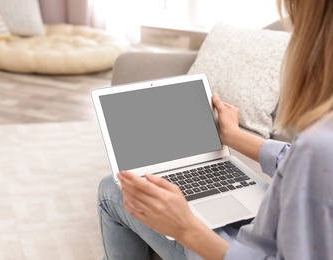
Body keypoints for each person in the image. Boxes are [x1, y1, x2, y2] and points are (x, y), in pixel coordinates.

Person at [97, 0, 333, 259]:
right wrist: (234, 135)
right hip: (267, 224)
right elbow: (296, 161)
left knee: (112, 187)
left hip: (249, 247)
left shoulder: (318, 145)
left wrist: (186, 227)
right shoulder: (318, 143)